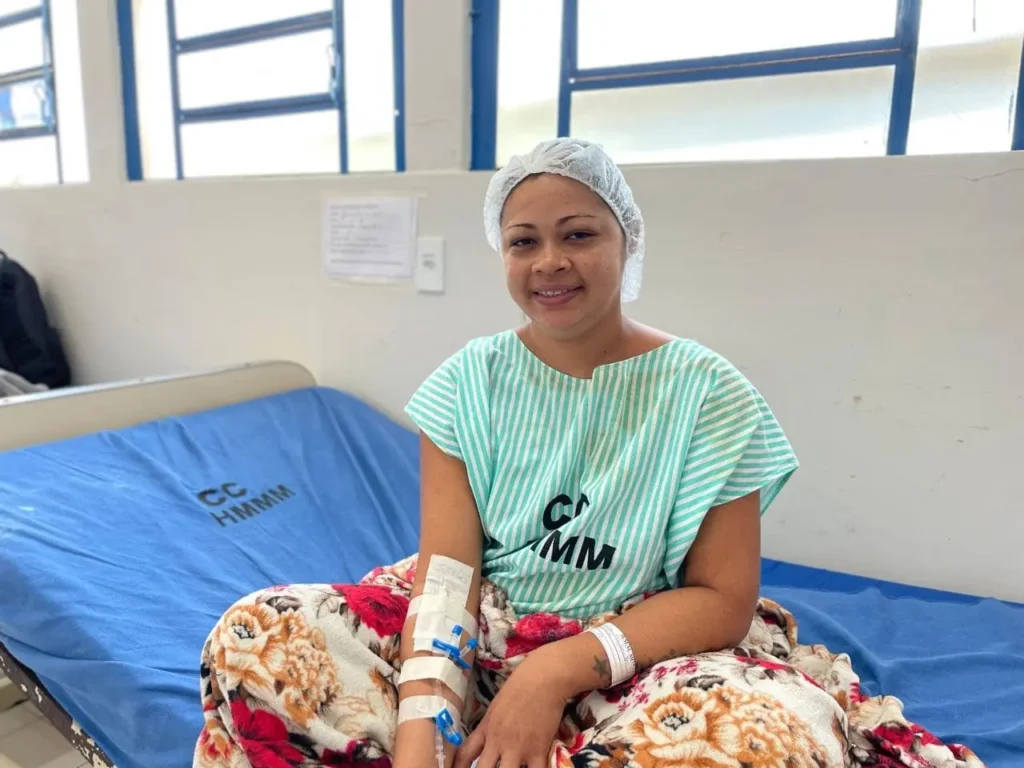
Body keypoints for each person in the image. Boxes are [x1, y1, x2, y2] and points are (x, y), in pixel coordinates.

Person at [194, 139, 982, 768]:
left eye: (578, 234)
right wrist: (423, 731)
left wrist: (552, 673)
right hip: (479, 624)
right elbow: (448, 582)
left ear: (626, 240)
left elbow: (721, 599)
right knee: (257, 633)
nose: (549, 262)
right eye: (523, 241)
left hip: (643, 643)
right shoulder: (467, 385)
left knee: (759, 738)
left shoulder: (709, 394)